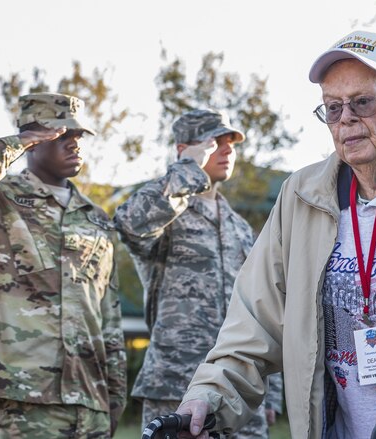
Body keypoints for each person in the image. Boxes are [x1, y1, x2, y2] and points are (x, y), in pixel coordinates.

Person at [175, 29, 376, 439]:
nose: (346, 119)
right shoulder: (300, 195)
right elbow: (253, 324)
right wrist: (206, 400)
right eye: (332, 108)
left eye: (362, 102)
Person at [0, 92, 127, 438]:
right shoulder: (0, 201)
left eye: (78, 136)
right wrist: (9, 147)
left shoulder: (96, 220)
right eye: (63, 135)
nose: (75, 144)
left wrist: (114, 400)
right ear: (33, 140)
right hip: (23, 401)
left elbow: (109, 316)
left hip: (90, 403)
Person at [113, 109, 283, 437]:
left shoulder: (240, 228)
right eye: (214, 141)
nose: (227, 149)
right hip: (176, 386)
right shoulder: (164, 214)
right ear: (184, 150)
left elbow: (262, 308)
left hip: (239, 391)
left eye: (230, 142)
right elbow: (129, 222)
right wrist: (189, 169)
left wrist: (271, 390)